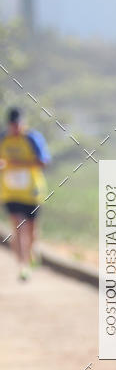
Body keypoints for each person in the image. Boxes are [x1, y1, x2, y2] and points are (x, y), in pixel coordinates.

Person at [0, 107, 51, 280]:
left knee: (31, 230)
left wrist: (16, 163)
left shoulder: (32, 138)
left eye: (17, 125)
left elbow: (44, 162)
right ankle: (22, 266)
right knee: (17, 227)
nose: (15, 129)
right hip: (10, 192)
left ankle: (31, 254)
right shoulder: (2, 138)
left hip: (31, 192)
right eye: (12, 125)